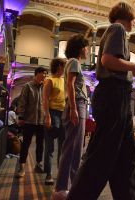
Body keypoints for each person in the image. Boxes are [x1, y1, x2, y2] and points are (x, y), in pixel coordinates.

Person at [65, 2, 135, 199]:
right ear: (127, 16)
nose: (134, 22)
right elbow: (108, 60)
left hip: (119, 96)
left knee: (126, 158)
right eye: (134, 18)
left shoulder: (115, 32)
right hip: (114, 95)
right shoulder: (117, 28)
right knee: (101, 155)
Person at [52, 34, 89, 197]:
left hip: (77, 105)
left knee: (74, 149)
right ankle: (61, 188)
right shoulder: (74, 62)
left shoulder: (72, 63)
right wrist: (74, 108)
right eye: (86, 47)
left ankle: (72, 186)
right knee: (71, 149)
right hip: (76, 105)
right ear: (81, 48)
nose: (87, 50)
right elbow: (70, 85)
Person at [15, 67, 48, 178]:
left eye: (46, 74)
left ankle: (38, 164)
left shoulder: (45, 87)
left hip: (41, 121)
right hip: (29, 120)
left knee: (40, 144)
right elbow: (22, 102)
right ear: (37, 74)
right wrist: (21, 117)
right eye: (43, 73)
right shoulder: (28, 86)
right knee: (26, 144)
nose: (45, 75)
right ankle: (22, 167)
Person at [43, 58, 66, 185]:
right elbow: (45, 99)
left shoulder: (64, 80)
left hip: (63, 114)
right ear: (58, 66)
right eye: (63, 66)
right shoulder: (49, 80)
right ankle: (49, 174)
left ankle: (61, 172)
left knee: (63, 146)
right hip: (52, 113)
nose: (65, 69)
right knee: (50, 147)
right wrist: (47, 116)